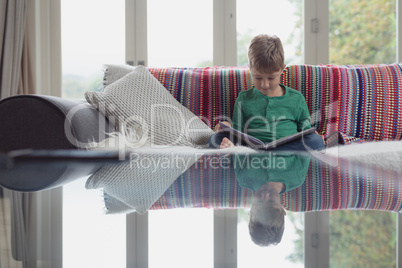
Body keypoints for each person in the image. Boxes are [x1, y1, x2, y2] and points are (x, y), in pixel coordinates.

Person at [207, 34, 324, 151]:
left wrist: (313, 136)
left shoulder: (297, 98)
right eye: (258, 78)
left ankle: (266, 153)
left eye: (271, 78)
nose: (264, 84)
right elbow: (238, 132)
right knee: (216, 138)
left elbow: (305, 131)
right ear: (250, 69)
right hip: (252, 147)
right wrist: (227, 127)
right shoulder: (244, 98)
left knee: (315, 141)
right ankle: (236, 149)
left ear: (282, 69)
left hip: (286, 147)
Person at [233, 152, 311, 246]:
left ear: (250, 210)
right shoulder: (296, 177)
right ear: (283, 210)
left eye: (259, 202)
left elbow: (236, 147)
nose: (265, 194)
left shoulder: (244, 178)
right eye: (271, 201)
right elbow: (306, 147)